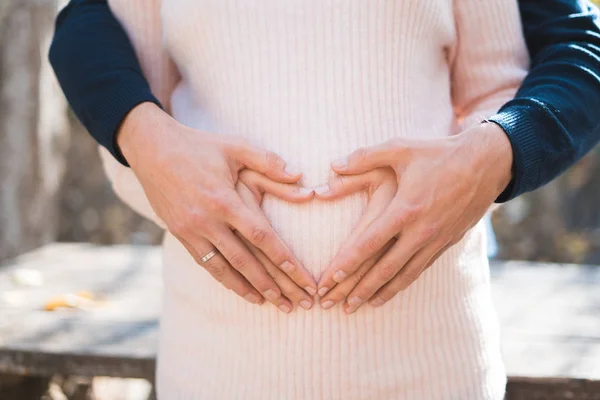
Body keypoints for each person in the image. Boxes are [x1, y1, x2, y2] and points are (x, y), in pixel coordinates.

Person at [49, 0, 600, 399]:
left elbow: (501, 86)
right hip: (217, 367)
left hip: (432, 365)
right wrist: (173, 177)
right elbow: (139, 125)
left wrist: (475, 165)